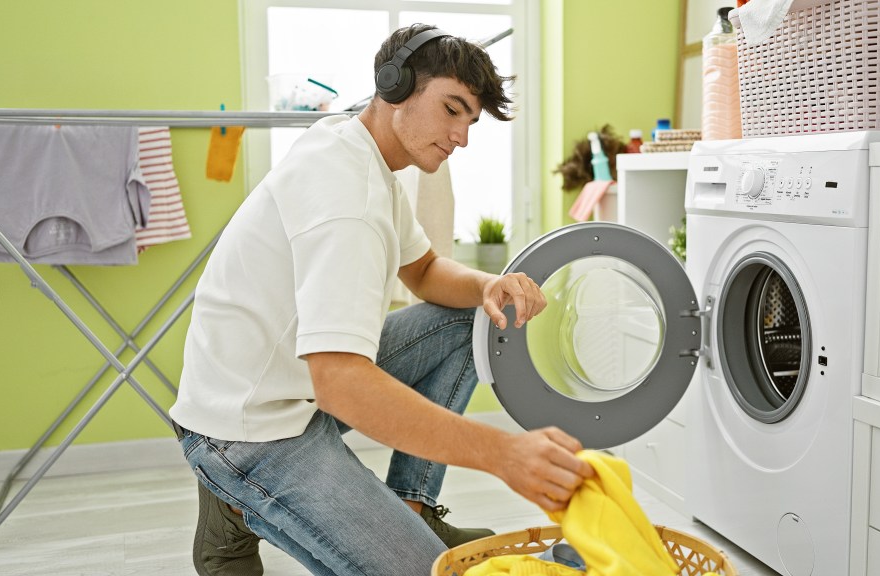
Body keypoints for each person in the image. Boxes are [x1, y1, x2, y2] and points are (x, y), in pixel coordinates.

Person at [169, 23, 595, 576]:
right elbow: (341, 382)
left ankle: (411, 504)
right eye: (452, 109)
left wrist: (487, 286)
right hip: (248, 426)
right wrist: (503, 453)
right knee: (428, 572)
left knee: (469, 317)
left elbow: (422, 271)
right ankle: (231, 496)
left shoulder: (362, 154)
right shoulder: (347, 198)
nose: (461, 137)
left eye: (471, 121)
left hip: (290, 385)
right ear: (395, 87)